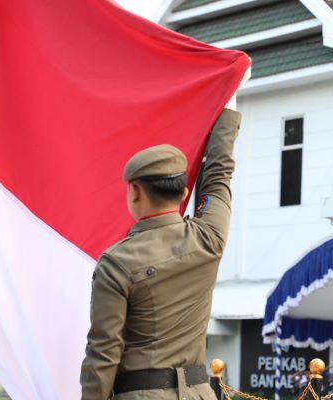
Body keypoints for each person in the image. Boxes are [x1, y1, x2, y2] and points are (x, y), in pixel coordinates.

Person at [80, 71, 249, 399]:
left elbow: (103, 353)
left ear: (134, 191)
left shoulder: (117, 263)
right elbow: (218, 175)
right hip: (200, 393)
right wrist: (229, 97)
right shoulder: (209, 238)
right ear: (184, 190)